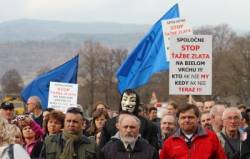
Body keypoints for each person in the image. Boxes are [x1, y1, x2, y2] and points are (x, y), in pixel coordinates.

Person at [160, 104, 227, 159]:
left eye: (190, 117)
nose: (187, 120)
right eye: (183, 118)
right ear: (178, 120)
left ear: (198, 119)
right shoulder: (169, 142)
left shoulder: (211, 137)